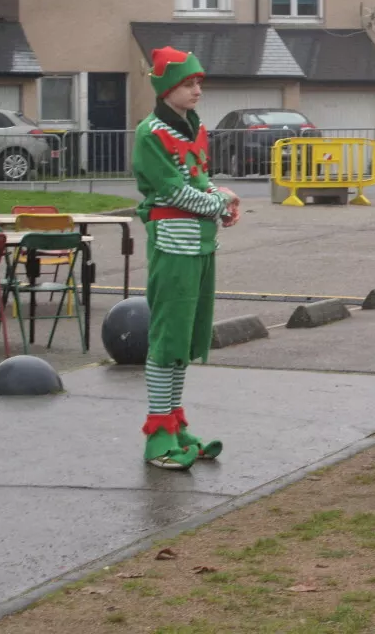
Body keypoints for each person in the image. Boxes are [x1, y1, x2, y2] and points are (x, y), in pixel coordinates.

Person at [132, 47, 240, 471]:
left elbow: (200, 181)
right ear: (167, 88)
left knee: (186, 341)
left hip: (200, 243)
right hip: (175, 244)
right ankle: (157, 435)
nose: (198, 90)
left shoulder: (193, 128)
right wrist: (220, 202)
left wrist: (222, 199)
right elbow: (174, 191)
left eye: (199, 82)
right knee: (167, 339)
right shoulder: (150, 133)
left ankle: (174, 425)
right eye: (189, 83)